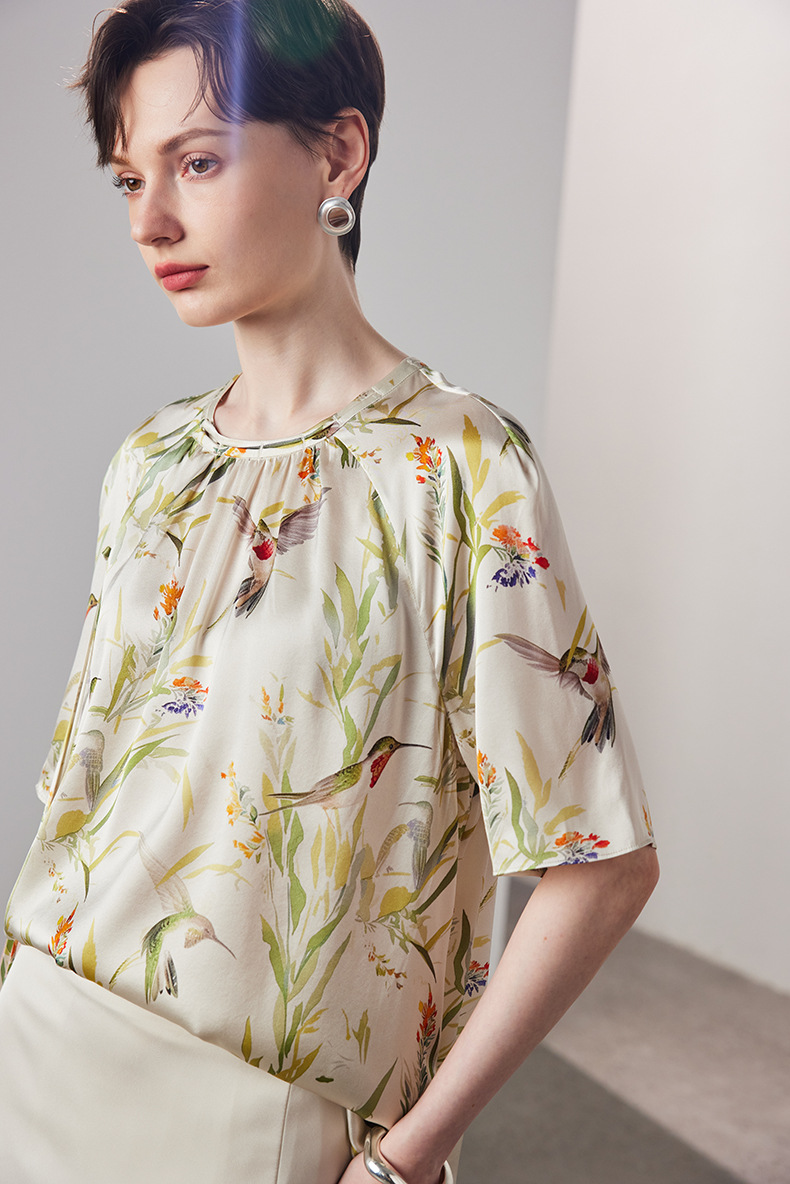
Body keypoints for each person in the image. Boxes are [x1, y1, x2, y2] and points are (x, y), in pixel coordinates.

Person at [0, 2, 658, 1181]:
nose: (151, 221)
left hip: (254, 1117)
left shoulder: (461, 467)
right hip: (39, 1044)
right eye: (130, 179)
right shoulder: (151, 462)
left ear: (339, 154)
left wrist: (407, 1155)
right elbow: (86, 793)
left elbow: (600, 863)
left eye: (197, 162)